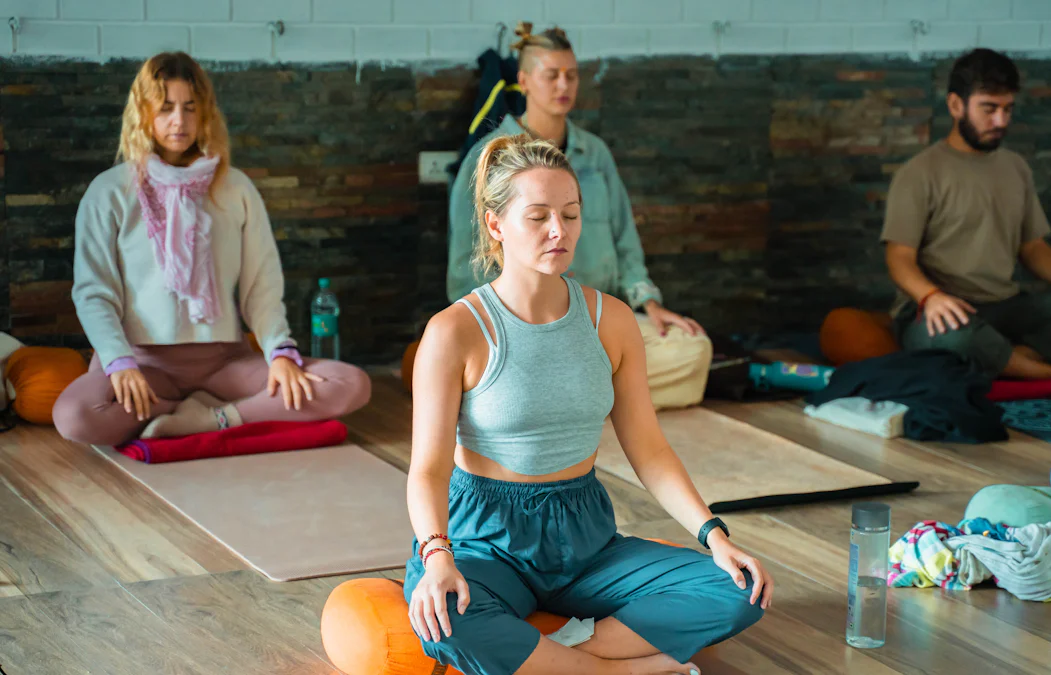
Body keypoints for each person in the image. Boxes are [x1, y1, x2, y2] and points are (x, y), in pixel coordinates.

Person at [405, 134, 770, 675]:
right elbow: (428, 470)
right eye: (538, 217)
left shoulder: (612, 320)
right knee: (445, 620)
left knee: (739, 588)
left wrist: (713, 535)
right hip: (483, 538)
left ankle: (568, 663)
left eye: (571, 215)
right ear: (495, 224)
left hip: (585, 537)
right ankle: (620, 672)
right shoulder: (454, 331)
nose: (560, 231)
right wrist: (437, 557)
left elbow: (648, 448)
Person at [52, 52, 371, 447]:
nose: (179, 121)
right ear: (142, 112)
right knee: (74, 416)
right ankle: (184, 408)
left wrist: (280, 354)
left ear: (205, 113)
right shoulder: (109, 190)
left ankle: (210, 419)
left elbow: (262, 286)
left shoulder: (235, 187)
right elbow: (93, 291)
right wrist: (119, 362)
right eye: (166, 107)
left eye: (190, 107)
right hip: (143, 363)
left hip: (223, 364)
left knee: (351, 383)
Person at [446, 23, 712, 411]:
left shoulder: (595, 153)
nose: (563, 85)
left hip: (599, 323)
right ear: (523, 81)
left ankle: (565, 401)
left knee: (693, 349)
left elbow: (625, 239)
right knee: (516, 366)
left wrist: (649, 303)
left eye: (571, 75)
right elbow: (464, 268)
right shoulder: (491, 158)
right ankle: (601, 397)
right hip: (522, 327)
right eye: (551, 75)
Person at [882, 48, 1051, 380]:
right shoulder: (919, 173)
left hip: (1006, 304)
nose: (1001, 121)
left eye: (1007, 109)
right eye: (989, 109)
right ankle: (1045, 373)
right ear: (956, 105)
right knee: (954, 338)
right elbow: (898, 257)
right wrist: (931, 297)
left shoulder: (1015, 167)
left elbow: (1032, 247)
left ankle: (1004, 358)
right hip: (940, 307)